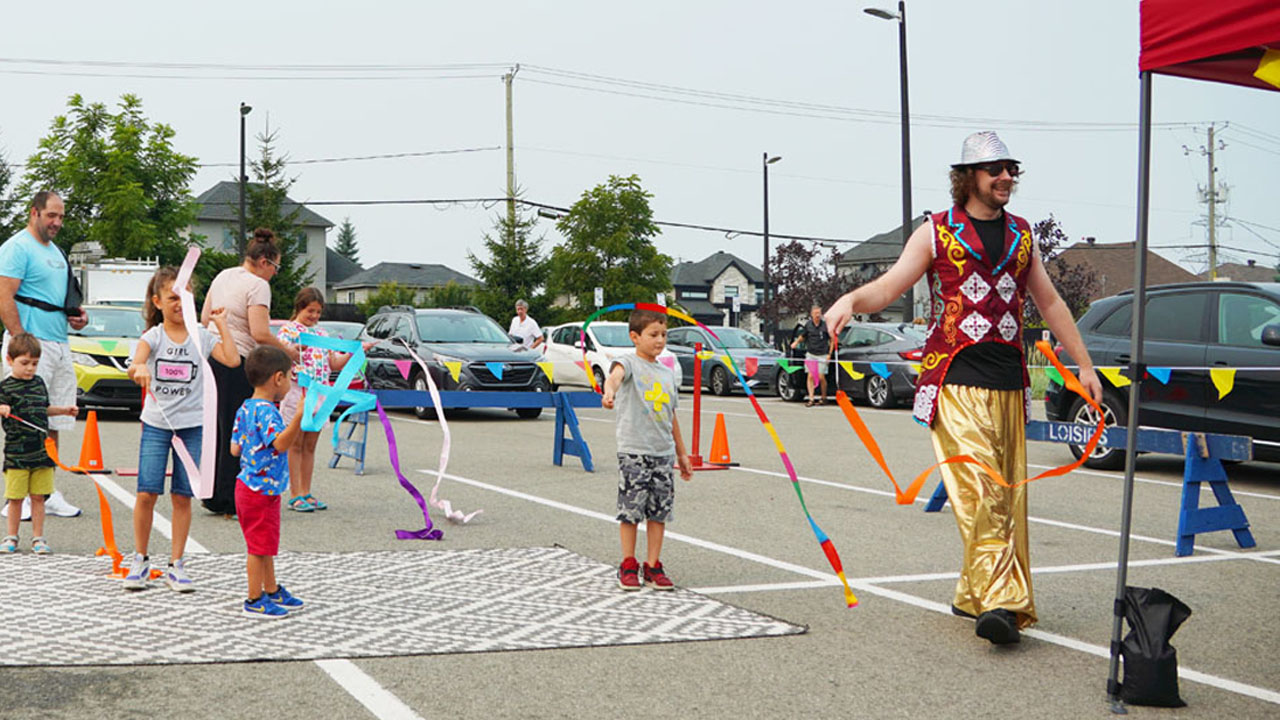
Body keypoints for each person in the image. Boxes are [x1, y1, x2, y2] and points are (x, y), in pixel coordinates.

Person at [824, 131, 1102, 646]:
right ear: (968, 177)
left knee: (1006, 495)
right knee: (981, 490)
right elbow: (890, 286)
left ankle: (972, 592)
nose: (1005, 178)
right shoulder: (937, 231)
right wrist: (850, 299)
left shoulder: (1022, 236)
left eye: (1010, 169)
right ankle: (1001, 603)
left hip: (1009, 383)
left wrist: (1083, 366)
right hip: (953, 378)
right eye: (994, 169)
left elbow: (1052, 304)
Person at [122, 267, 240, 591]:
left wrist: (222, 325)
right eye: (173, 297)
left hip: (193, 427)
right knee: (146, 492)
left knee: (183, 496)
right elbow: (136, 363)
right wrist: (140, 368)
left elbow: (231, 360)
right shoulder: (153, 336)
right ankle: (140, 559)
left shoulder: (201, 336)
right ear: (157, 301)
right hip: (157, 425)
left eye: (186, 296)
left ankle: (177, 564)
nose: (180, 303)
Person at [0, 191, 87, 520]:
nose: (57, 222)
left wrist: (77, 317)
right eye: (52, 215)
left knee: (53, 421)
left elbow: (60, 299)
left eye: (61, 217)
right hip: (31, 345)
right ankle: (16, 497)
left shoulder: (57, 252)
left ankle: (46, 491)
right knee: (24, 420)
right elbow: (3, 294)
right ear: (34, 212)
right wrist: (21, 342)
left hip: (59, 343)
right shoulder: (17, 248)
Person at [200, 228, 297, 517]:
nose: (275, 274)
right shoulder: (258, 285)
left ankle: (211, 492)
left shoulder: (223, 276)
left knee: (216, 429)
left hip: (213, 358)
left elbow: (205, 318)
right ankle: (229, 497)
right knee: (238, 430)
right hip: (239, 361)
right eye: (276, 267)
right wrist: (287, 352)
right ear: (265, 262)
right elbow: (259, 333)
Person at [600, 308, 693, 591]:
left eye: (663, 334)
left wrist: (682, 453)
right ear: (635, 336)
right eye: (653, 334)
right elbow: (614, 377)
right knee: (631, 510)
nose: (660, 340)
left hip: (662, 452)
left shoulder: (666, 374)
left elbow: (671, 415)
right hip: (634, 451)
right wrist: (610, 391)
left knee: (659, 511)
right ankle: (628, 563)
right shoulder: (627, 363)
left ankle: (653, 565)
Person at [231, 346, 306, 618]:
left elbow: (234, 449)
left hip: (249, 486)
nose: (289, 383)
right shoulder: (268, 411)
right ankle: (254, 598)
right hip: (260, 490)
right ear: (277, 378)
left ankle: (272, 589)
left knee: (265, 544)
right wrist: (298, 417)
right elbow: (281, 443)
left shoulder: (246, 407)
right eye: (288, 377)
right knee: (258, 548)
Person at [276, 287, 361, 512]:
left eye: (317, 312)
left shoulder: (322, 334)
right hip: (298, 392)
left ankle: (306, 491)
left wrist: (353, 353)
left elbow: (333, 363)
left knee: (310, 445)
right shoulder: (288, 331)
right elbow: (281, 357)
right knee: (295, 444)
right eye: (310, 311)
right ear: (299, 308)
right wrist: (294, 351)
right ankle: (295, 494)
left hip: (321, 394)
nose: (314, 316)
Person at [0, 333, 78, 554]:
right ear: (9, 360)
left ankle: (38, 537)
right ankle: (11, 536)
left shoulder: (39, 383)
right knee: (15, 498)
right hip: (16, 454)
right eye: (24, 363)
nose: (30, 368)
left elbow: (43, 409)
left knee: (39, 497)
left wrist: (63, 410)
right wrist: (3, 408)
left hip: (42, 452)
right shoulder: (5, 388)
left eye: (34, 364)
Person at [791, 304, 833, 407]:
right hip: (811, 354)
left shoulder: (825, 326)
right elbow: (803, 336)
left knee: (821, 376)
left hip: (822, 354)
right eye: (815, 313)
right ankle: (811, 398)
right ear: (811, 314)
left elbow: (832, 340)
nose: (817, 315)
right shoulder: (808, 325)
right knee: (810, 376)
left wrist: (829, 354)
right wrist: (796, 343)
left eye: (819, 313)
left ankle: (824, 397)